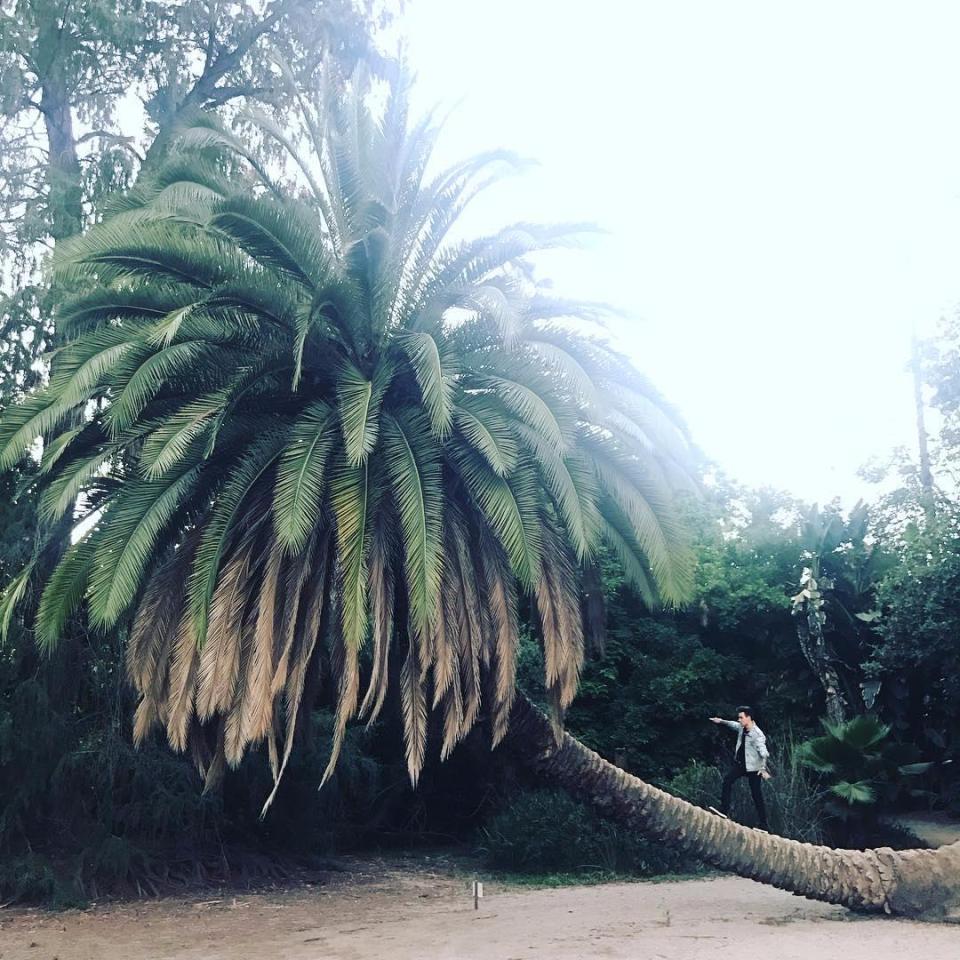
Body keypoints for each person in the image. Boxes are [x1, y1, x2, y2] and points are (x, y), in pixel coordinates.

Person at [708, 706, 771, 830]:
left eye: (741, 717)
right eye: (739, 718)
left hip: (754, 768)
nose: (739, 720)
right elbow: (733, 725)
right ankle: (723, 810)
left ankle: (764, 825)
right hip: (741, 765)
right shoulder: (742, 728)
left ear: (749, 718)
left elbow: (764, 752)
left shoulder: (757, 735)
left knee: (756, 795)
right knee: (727, 780)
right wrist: (721, 721)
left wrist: (763, 768)